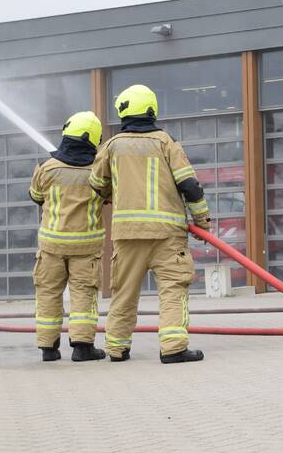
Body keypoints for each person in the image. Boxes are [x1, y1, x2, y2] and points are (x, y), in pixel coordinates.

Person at [89, 84, 212, 362]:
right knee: (173, 288)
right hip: (167, 234)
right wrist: (202, 221)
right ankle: (173, 348)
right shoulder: (166, 142)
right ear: (151, 109)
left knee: (124, 292)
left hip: (127, 234)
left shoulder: (110, 146)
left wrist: (112, 192)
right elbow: (190, 185)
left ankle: (117, 348)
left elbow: (96, 183)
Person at [28, 111, 107, 362]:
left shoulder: (46, 167)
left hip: (51, 245)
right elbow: (110, 196)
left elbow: (35, 196)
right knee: (83, 294)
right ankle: (83, 348)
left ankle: (48, 348)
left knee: (48, 293)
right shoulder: (98, 170)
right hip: (86, 246)